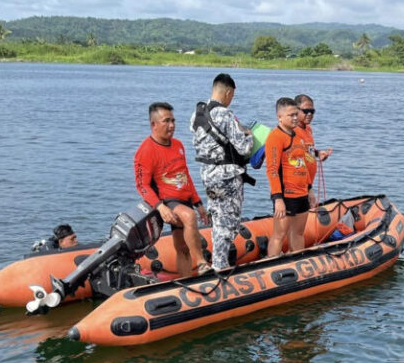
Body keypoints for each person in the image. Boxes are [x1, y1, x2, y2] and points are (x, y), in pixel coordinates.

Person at [134, 102, 210, 275]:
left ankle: (186, 282)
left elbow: (185, 175)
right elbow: (142, 185)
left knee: (182, 249)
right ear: (154, 124)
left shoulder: (178, 145)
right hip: (167, 202)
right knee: (189, 216)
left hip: (184, 198)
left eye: (173, 121)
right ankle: (201, 263)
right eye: (166, 121)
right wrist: (160, 207)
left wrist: (198, 203)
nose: (172, 125)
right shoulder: (145, 150)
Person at [191, 73, 255, 272]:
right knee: (228, 220)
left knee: (218, 217)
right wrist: (250, 135)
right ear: (228, 92)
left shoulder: (196, 115)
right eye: (232, 95)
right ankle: (220, 264)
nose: (231, 100)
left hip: (208, 174)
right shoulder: (225, 115)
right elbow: (244, 148)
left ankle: (218, 261)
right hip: (227, 176)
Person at [264, 97, 315, 258]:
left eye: (296, 114)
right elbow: (272, 170)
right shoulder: (275, 137)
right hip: (286, 195)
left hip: (302, 193)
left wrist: (309, 189)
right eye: (290, 115)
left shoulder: (299, 136)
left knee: (298, 234)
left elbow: (303, 165)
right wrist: (278, 198)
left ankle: (298, 262)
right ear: (280, 117)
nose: (295, 118)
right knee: (279, 235)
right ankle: (271, 265)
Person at [293, 94, 332, 190]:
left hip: (308, 183)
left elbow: (308, 151)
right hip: (297, 185)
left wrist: (318, 153)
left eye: (312, 111)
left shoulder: (308, 129)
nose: (309, 114)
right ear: (296, 110)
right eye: (306, 111)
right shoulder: (292, 132)